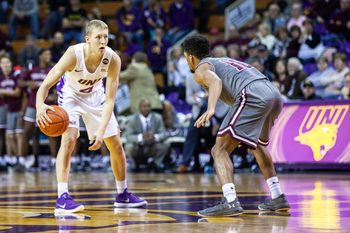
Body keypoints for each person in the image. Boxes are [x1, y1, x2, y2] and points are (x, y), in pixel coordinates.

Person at [35, 20, 147, 214]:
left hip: (96, 97)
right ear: (88, 39)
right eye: (98, 37)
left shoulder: (113, 59)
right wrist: (39, 105)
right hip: (70, 94)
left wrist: (101, 131)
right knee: (69, 139)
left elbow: (110, 99)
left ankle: (122, 195)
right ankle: (62, 197)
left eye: (106, 37)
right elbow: (45, 85)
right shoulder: (73, 54)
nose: (103, 41)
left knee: (116, 145)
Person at [182, 34, 290, 217]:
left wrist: (210, 109)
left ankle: (230, 201)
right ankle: (277, 196)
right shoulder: (222, 60)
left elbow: (215, 81)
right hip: (273, 94)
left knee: (219, 150)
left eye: (185, 58)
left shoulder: (200, 69)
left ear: (190, 57)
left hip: (252, 94)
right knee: (258, 146)